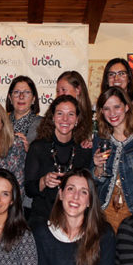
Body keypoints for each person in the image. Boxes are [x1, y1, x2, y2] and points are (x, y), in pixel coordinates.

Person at [93, 87, 133, 231]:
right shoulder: (100, 139)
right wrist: (98, 167)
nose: (112, 113)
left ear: (127, 107)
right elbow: (94, 182)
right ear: (101, 112)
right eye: (106, 108)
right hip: (104, 211)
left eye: (117, 107)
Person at [24, 95, 93, 223]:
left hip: (73, 219)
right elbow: (29, 190)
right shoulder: (38, 147)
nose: (65, 119)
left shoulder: (84, 149)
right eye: (60, 113)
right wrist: (44, 181)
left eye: (71, 114)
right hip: (42, 217)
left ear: (77, 119)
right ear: (53, 117)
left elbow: (89, 189)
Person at [5, 75, 42, 151]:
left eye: (27, 92)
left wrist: (30, 151)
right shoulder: (0, 124)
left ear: (33, 99)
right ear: (10, 98)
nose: (21, 96)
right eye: (16, 92)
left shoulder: (44, 125)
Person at [56, 70, 93, 135]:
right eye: (58, 91)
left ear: (77, 90)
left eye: (64, 90)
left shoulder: (93, 119)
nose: (60, 95)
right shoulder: (53, 115)